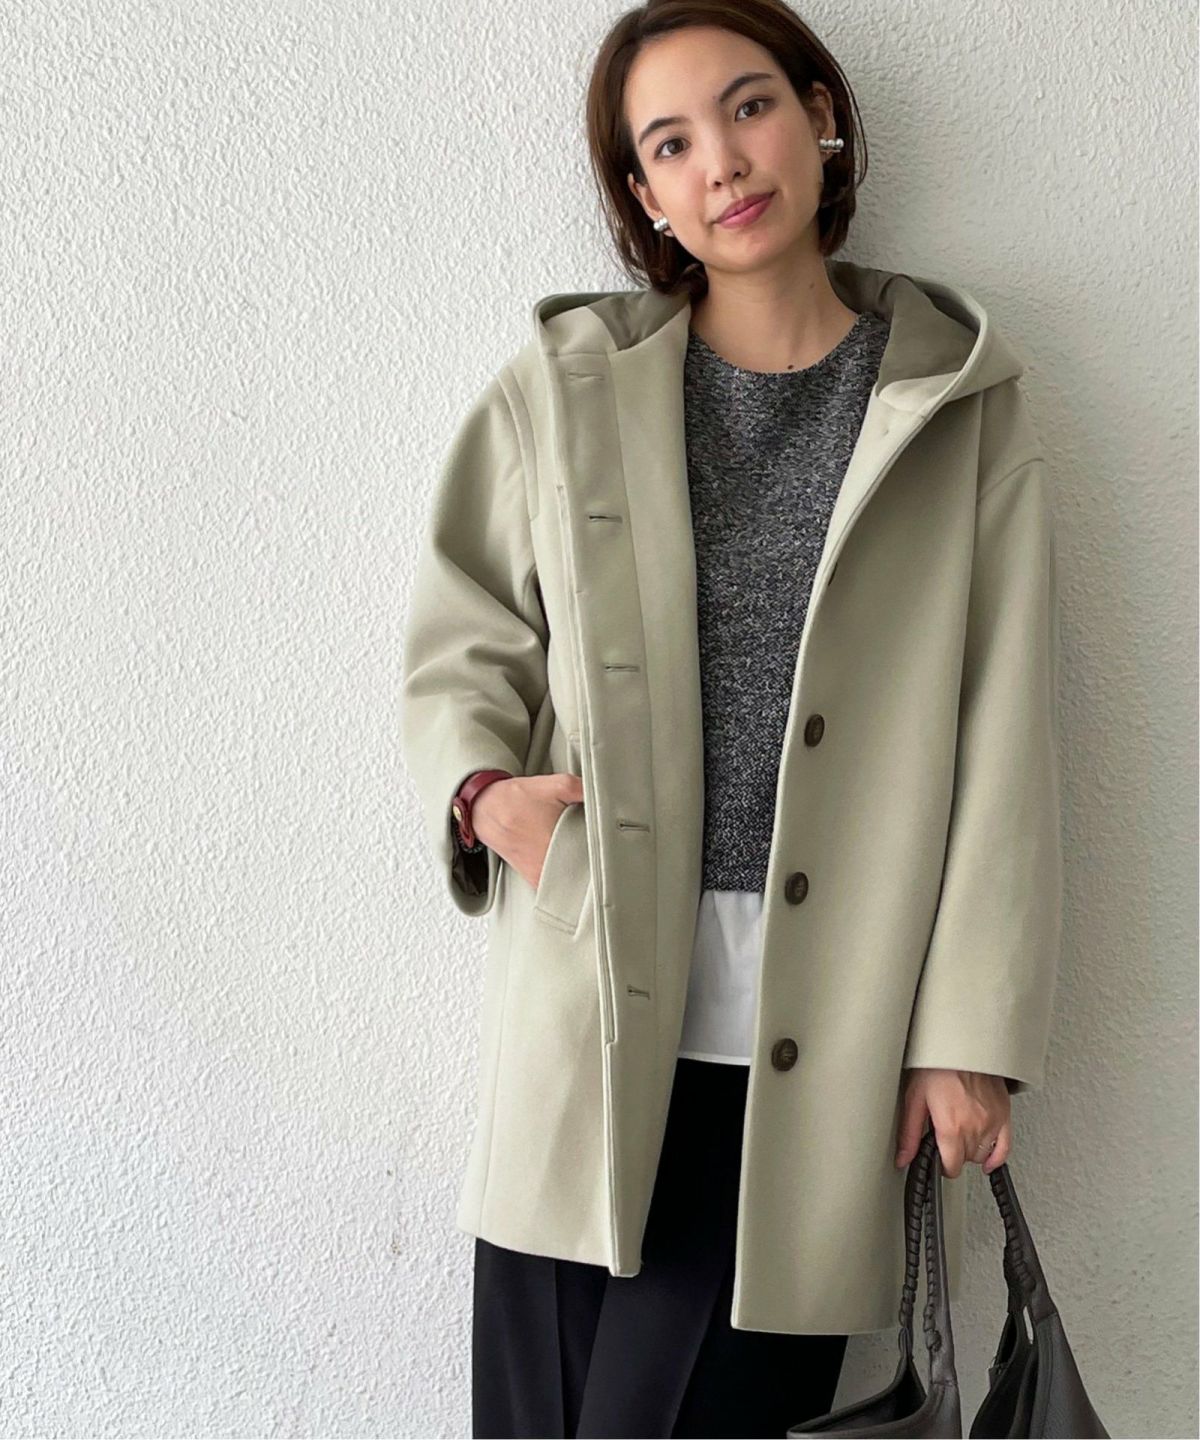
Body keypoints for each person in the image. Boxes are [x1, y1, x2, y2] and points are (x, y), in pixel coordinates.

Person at [400, 3, 1062, 1437]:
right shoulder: (570, 388)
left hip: (817, 1046)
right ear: (645, 197)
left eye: (751, 106)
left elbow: (1007, 725)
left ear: (820, 115)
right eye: (670, 144)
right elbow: (464, 630)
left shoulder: (954, 402)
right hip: (589, 1026)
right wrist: (485, 796)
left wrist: (969, 1029)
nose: (724, 162)